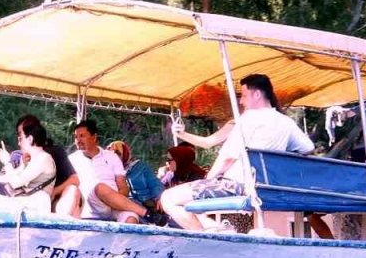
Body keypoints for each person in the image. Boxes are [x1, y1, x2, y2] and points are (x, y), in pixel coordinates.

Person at [161, 74, 314, 232]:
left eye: (245, 96)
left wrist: (208, 179)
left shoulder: (247, 120)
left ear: (257, 94)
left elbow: (227, 158)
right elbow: (307, 148)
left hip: (236, 185)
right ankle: (217, 230)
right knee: (190, 201)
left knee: (168, 198)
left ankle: (206, 239)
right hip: (267, 187)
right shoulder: (286, 122)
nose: (241, 101)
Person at [69, 120, 152, 223]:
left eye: (82, 136)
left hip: (114, 206)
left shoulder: (111, 156)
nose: (78, 140)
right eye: (76, 137)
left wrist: (114, 200)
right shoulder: (71, 160)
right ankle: (147, 214)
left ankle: (126, 236)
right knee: (100, 187)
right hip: (91, 205)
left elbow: (123, 187)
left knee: (131, 218)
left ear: (94, 137)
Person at [0, 122, 57, 211]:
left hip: (35, 204)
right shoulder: (33, 159)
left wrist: (7, 162)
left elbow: (15, 183)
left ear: (30, 139)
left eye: (21, 139)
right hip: (27, 201)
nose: (19, 143)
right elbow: (2, 180)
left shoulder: (43, 158)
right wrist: (22, 165)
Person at [16, 114, 80, 216]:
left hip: (54, 202)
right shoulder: (18, 156)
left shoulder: (54, 152)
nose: (20, 140)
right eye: (20, 136)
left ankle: (62, 225)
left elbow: (75, 180)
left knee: (73, 191)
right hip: (26, 202)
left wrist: (54, 191)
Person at [107, 140, 164, 206]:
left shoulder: (141, 167)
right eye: (110, 155)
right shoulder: (108, 172)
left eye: (117, 154)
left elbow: (155, 184)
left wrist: (159, 198)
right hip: (125, 205)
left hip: (146, 203)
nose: (114, 158)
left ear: (125, 154)